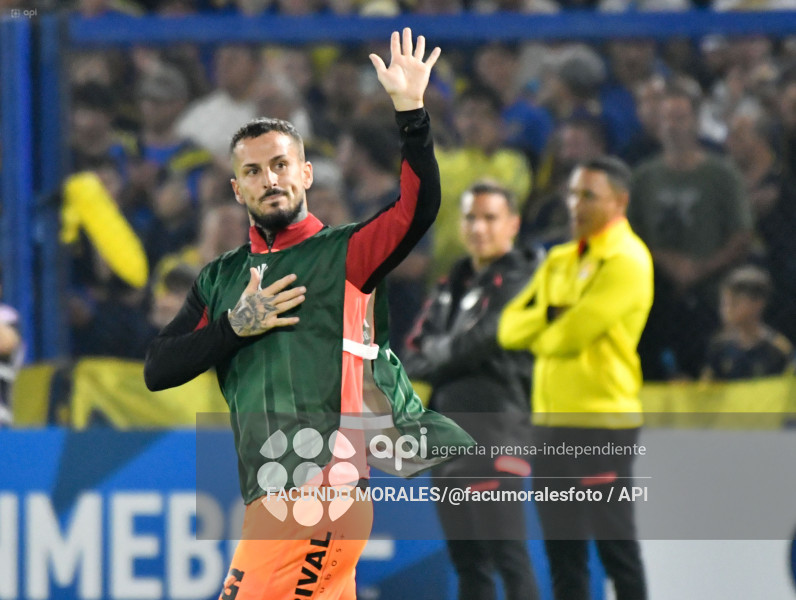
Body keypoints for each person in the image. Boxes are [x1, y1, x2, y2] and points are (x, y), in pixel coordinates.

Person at [144, 29, 473, 600]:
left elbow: (417, 210)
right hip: (272, 499)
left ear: (307, 174)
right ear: (236, 189)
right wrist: (233, 328)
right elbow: (158, 369)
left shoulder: (344, 254)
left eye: (280, 165)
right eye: (253, 171)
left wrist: (411, 114)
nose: (269, 180)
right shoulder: (221, 278)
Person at [498, 156, 652, 600]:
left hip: (602, 423)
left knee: (615, 548)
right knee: (564, 554)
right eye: (571, 193)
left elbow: (573, 336)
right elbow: (509, 327)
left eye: (589, 195)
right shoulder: (560, 259)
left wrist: (543, 331)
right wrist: (551, 316)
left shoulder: (628, 260)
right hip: (549, 421)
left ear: (620, 202)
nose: (575, 204)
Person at [404, 180, 540, 600]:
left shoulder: (525, 278)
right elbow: (412, 355)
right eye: (470, 218)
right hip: (447, 433)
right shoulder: (450, 283)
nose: (479, 228)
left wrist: (441, 353)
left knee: (507, 557)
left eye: (490, 218)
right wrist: (447, 352)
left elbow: (484, 340)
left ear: (513, 224)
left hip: (495, 430)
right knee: (469, 564)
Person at [702, 265, 794, 380]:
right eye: (724, 304)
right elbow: (708, 391)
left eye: (734, 303)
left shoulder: (778, 351)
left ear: (758, 303)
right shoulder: (719, 347)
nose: (727, 311)